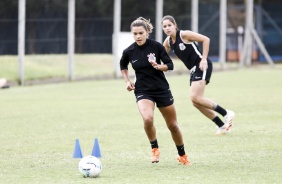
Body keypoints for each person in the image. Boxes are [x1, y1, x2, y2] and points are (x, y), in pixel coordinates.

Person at [120, 17, 190, 165]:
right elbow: (123, 65)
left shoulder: (157, 46)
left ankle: (182, 155)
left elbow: (170, 65)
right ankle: (155, 149)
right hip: (143, 90)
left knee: (173, 125)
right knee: (147, 118)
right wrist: (127, 81)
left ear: (147, 32)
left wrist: (159, 66)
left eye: (141, 33)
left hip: (161, 89)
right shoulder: (129, 51)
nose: (138, 36)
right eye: (135, 34)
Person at [161, 15, 235, 135]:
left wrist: (204, 59)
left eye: (169, 25)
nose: (167, 28)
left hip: (202, 65)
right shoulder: (168, 42)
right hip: (193, 70)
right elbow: (162, 54)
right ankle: (221, 126)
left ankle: (226, 113)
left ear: (175, 25)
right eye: (165, 26)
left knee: (195, 97)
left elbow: (206, 39)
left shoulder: (184, 34)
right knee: (196, 102)